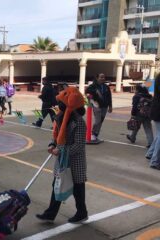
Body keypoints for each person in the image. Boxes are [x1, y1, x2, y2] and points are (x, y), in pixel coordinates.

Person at [36, 87, 88, 223]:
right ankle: (50, 214)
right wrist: (52, 144)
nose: (59, 106)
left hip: (75, 160)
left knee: (78, 188)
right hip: (61, 158)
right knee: (57, 185)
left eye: (61, 103)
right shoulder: (60, 117)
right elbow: (57, 136)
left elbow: (79, 145)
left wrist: (62, 151)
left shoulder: (79, 122)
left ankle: (82, 212)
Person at [86, 73, 113, 142]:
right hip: (97, 105)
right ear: (97, 78)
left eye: (104, 77)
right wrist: (95, 92)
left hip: (105, 106)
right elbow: (87, 91)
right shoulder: (93, 86)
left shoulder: (106, 87)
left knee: (101, 121)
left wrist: (110, 106)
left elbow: (109, 97)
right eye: (101, 77)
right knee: (97, 121)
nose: (103, 78)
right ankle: (92, 133)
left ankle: (95, 135)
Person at [146, 76, 160, 170]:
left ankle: (150, 153)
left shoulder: (158, 77)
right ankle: (155, 161)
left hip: (156, 109)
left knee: (159, 135)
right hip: (158, 111)